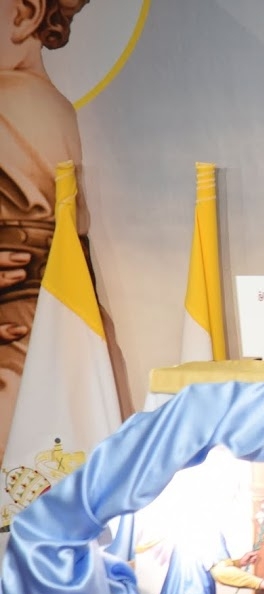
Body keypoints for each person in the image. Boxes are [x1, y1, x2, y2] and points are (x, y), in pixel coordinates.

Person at [0, 0, 91, 463]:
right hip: (50, 331)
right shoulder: (55, 105)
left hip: (15, 339)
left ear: (26, 13)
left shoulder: (10, 99)